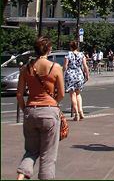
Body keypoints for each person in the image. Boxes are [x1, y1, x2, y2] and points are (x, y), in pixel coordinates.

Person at [16, 36, 65, 180]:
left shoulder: (26, 68)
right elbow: (61, 93)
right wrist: (52, 104)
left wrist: (25, 109)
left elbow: (19, 94)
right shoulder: (55, 67)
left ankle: (20, 176)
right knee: (48, 156)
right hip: (49, 111)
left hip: (31, 111)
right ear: (49, 49)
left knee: (30, 151)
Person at [63, 40, 89, 121]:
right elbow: (85, 66)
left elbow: (65, 66)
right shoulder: (81, 55)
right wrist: (87, 75)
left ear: (70, 47)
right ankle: (81, 112)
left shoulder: (68, 54)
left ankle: (76, 114)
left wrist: (62, 73)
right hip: (79, 74)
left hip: (70, 75)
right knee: (78, 94)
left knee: (72, 95)